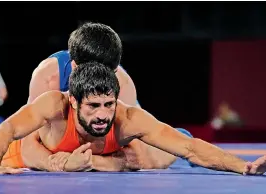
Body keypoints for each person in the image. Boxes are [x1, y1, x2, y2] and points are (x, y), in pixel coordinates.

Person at [0, 62, 266, 175]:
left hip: (76, 158)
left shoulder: (128, 119)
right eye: (93, 107)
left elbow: (191, 148)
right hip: (29, 151)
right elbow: (6, 128)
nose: (102, 115)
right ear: (73, 101)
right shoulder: (53, 104)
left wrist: (244, 167)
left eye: (108, 105)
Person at [20, 21, 195, 170]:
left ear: (114, 71)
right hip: (67, 132)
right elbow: (27, 146)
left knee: (151, 159)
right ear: (74, 67)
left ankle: (181, 135)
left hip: (110, 133)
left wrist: (87, 162)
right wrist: (57, 163)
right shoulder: (48, 77)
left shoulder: (123, 84)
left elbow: (134, 157)